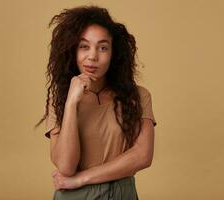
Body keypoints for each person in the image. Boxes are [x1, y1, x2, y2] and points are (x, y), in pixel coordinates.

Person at [35, 5, 157, 200]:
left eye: (102, 47)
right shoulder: (58, 99)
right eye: (84, 46)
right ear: (72, 51)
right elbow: (66, 166)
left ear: (113, 54)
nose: (92, 56)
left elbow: (143, 156)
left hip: (121, 194)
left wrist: (81, 179)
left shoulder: (139, 96)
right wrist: (71, 104)